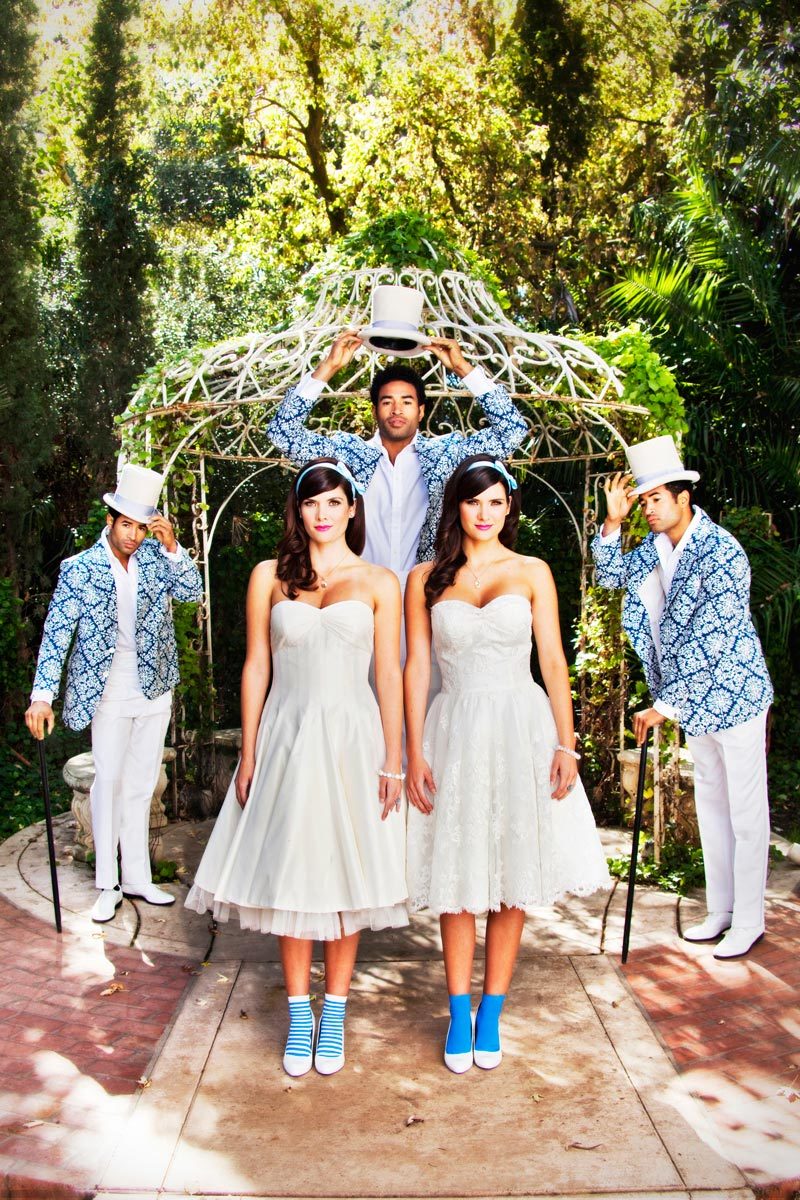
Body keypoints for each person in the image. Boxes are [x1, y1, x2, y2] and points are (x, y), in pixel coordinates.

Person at [185, 458, 407, 1077]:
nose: (323, 513)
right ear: (298, 511)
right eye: (312, 503)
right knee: (292, 869)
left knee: (346, 872)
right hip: (287, 735)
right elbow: (256, 666)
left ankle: (334, 1010)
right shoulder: (269, 575)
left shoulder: (380, 581)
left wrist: (393, 759)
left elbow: (389, 673)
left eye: (334, 502)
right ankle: (299, 1011)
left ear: (352, 509)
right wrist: (250, 750)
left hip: (354, 738)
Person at [403, 455, 610, 1073]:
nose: (485, 513)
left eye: (496, 501)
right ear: (457, 507)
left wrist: (566, 744)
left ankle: (491, 1011)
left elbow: (554, 661)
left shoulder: (532, 570)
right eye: (474, 501)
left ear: (509, 506)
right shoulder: (424, 579)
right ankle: (457, 1010)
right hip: (454, 728)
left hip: (522, 726)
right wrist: (413, 749)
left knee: (510, 867)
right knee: (458, 876)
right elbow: (417, 668)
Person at [591, 435, 773, 960]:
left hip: (736, 695)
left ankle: (750, 920)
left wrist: (664, 706)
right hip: (695, 701)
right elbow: (609, 575)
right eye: (643, 500)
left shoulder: (721, 551)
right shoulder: (654, 548)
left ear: (683, 498)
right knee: (712, 806)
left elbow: (712, 638)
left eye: (655, 499)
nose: (648, 508)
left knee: (745, 812)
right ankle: (721, 911)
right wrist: (613, 523)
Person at [25, 465, 204, 923]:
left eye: (142, 528)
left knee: (142, 784)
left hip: (155, 688)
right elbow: (57, 633)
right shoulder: (79, 569)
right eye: (127, 525)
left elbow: (192, 593)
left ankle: (138, 878)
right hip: (107, 689)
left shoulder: (157, 557)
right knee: (109, 783)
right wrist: (42, 695)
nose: (134, 536)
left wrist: (173, 547)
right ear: (110, 521)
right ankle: (108, 884)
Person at [267, 331, 527, 589]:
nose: (397, 410)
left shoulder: (445, 455)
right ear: (374, 410)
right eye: (387, 402)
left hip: (427, 591)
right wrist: (329, 366)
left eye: (407, 401)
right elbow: (282, 433)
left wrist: (461, 367)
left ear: (421, 411)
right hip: (356, 593)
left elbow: (512, 431)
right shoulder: (347, 455)